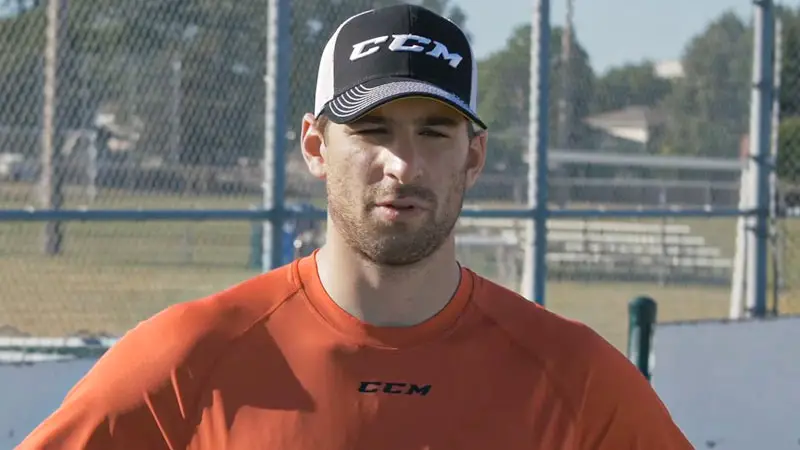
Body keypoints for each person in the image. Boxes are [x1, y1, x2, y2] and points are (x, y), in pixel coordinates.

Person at [18, 4, 693, 449]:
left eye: (434, 132)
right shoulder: (191, 358)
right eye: (372, 130)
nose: (403, 163)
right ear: (315, 147)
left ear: (474, 155)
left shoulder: (572, 377)